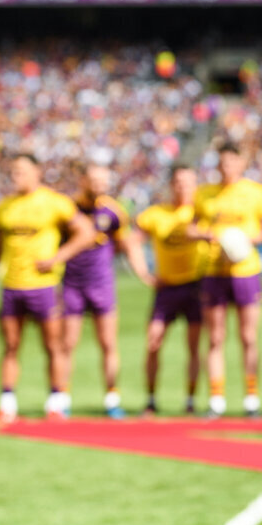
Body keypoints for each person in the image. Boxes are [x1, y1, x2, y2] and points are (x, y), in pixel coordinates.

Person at [0, 154, 95, 424]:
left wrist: (58, 257)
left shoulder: (55, 202)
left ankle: (56, 402)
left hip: (44, 287)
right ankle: (7, 405)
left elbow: (87, 233)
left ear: (37, 172)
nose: (15, 175)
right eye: (13, 171)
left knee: (52, 345)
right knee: (10, 346)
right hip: (12, 286)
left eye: (21, 170)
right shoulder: (4, 207)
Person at [192, 142, 262, 418]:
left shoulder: (256, 193)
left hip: (245, 271)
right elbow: (191, 227)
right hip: (214, 271)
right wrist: (207, 235)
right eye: (222, 163)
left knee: (248, 336)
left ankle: (251, 398)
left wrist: (248, 240)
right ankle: (217, 399)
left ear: (241, 164)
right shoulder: (204, 194)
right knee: (215, 337)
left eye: (231, 162)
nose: (226, 168)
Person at [60, 163, 149, 419]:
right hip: (72, 283)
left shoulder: (114, 211)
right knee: (68, 344)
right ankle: (62, 398)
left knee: (108, 343)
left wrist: (142, 273)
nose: (100, 185)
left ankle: (112, 398)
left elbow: (125, 243)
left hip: (102, 284)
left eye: (104, 181)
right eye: (95, 180)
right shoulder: (68, 210)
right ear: (83, 181)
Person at [134, 165, 204, 416]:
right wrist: (144, 273)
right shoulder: (156, 214)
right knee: (153, 342)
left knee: (194, 347)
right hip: (166, 288)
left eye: (188, 182)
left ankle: (190, 401)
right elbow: (133, 240)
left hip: (195, 286)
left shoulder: (200, 212)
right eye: (178, 182)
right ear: (171, 185)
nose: (183, 187)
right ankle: (151, 399)